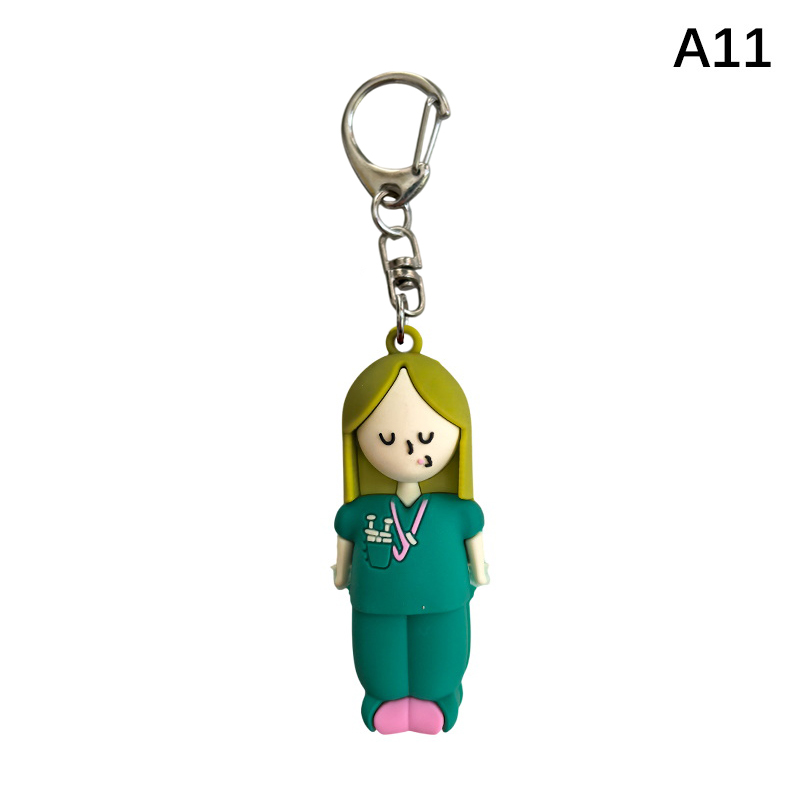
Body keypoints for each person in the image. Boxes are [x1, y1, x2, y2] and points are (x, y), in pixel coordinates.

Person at [333, 327, 488, 734]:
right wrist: (341, 574)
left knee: (441, 650)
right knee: (379, 652)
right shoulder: (361, 510)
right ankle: (385, 695)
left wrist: (479, 573)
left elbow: (474, 541)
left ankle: (436, 695)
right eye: (386, 438)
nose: (409, 450)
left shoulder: (456, 510)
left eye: (425, 438)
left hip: (443, 596)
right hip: (376, 599)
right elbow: (345, 542)